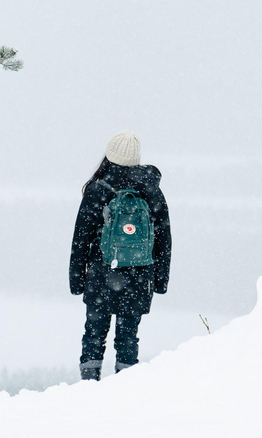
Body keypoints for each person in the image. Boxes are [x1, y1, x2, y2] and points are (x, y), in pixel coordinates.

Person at [69, 130, 172, 381]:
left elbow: (81, 238)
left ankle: (88, 385)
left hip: (102, 272)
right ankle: (125, 386)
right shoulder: (151, 190)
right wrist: (160, 281)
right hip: (139, 275)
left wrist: (76, 280)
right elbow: (164, 239)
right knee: (128, 335)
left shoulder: (99, 189)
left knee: (94, 332)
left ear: (109, 155)